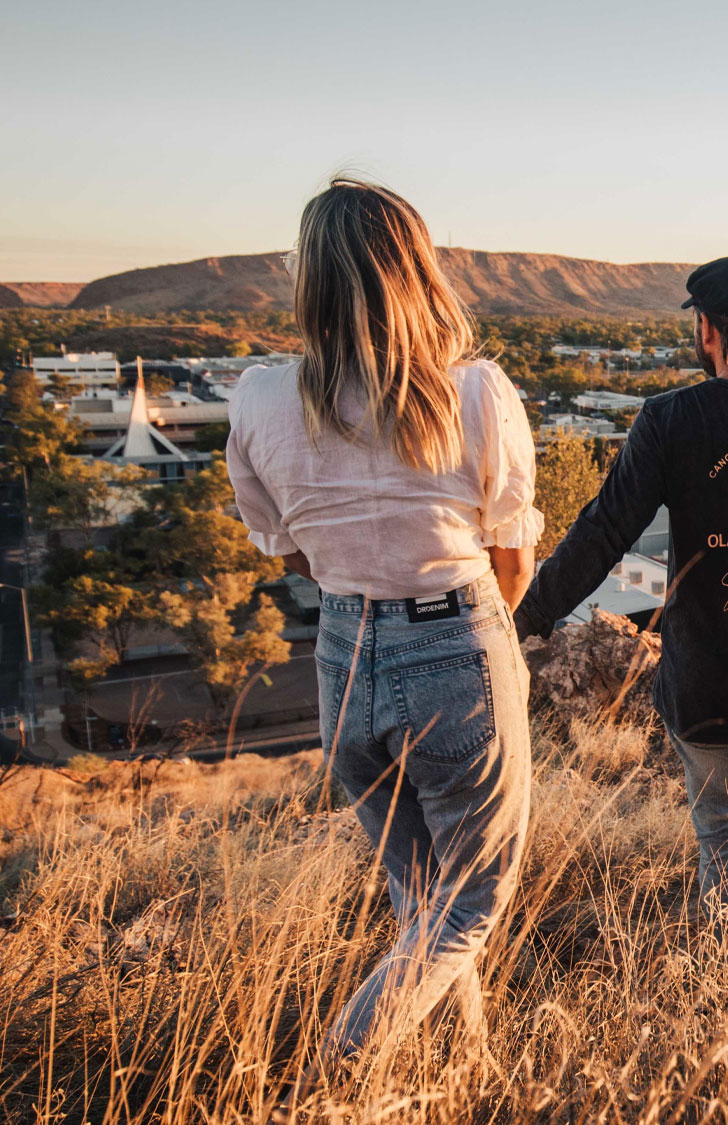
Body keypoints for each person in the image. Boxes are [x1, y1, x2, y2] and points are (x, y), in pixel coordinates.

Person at [225, 179, 541, 1065]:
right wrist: (467, 638)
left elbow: (283, 550)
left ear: (309, 282)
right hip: (453, 643)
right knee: (471, 900)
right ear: (416, 270)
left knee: (424, 897)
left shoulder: (258, 399)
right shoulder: (475, 394)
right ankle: (341, 1062)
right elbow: (513, 559)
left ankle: (465, 1070)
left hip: (341, 654)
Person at [512, 257, 728, 941]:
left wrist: (528, 613)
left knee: (725, 841)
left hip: (707, 687)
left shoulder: (669, 420)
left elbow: (602, 531)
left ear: (707, 332)